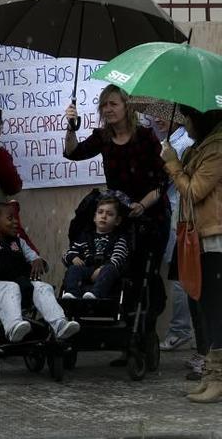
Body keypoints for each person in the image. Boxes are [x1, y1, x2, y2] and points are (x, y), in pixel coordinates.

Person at [63, 85, 170, 362]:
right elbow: (72, 153)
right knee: (118, 275)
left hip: (150, 216)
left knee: (143, 278)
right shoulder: (102, 137)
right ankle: (124, 336)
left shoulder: (145, 137)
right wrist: (71, 126)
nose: (107, 110)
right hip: (121, 219)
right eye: (103, 106)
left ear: (127, 106)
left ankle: (142, 335)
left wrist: (141, 205)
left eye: (112, 104)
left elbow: (162, 181)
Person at [160, 106, 222, 403]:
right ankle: (211, 373)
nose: (185, 124)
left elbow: (195, 191)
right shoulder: (202, 148)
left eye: (188, 118)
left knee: (215, 308)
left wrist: (174, 165)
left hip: (215, 237)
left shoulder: (217, 148)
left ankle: (219, 378)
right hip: (200, 235)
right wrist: (180, 161)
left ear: (202, 119)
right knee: (206, 306)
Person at [0, 202, 81, 343]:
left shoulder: (19, 242)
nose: (16, 222)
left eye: (15, 218)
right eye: (10, 219)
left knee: (43, 287)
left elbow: (36, 260)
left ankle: (59, 325)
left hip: (22, 284)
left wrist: (38, 261)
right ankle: (13, 327)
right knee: (11, 287)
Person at [152, 114, 197, 352]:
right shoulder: (170, 141)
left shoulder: (183, 143)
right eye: (155, 114)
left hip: (179, 215)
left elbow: (170, 181)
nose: (157, 118)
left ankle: (181, 330)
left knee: (179, 274)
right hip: (172, 214)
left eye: (165, 112)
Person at [61, 193, 130, 299]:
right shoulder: (85, 236)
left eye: (109, 214)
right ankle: (72, 294)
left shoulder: (119, 238)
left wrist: (101, 270)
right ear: (94, 217)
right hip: (87, 269)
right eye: (100, 212)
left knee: (110, 269)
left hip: (107, 271)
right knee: (73, 269)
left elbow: (118, 257)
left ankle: (95, 294)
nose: (104, 216)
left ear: (117, 221)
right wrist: (73, 257)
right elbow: (68, 254)